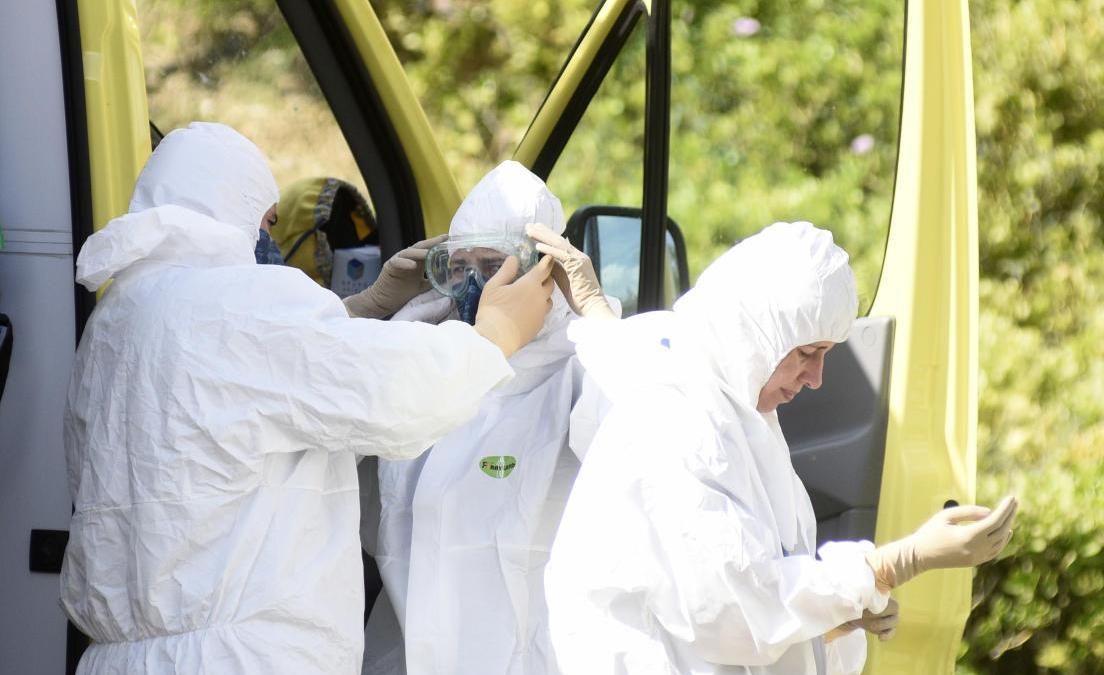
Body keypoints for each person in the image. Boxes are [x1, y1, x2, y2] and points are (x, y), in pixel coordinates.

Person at [60, 122, 555, 674]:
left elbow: (250, 386)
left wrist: (363, 307)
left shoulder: (120, 319)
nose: (268, 237)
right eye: (267, 219)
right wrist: (494, 337)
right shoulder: (236, 304)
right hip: (238, 658)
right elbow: (397, 396)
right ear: (230, 204)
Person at [543, 222, 1017, 674]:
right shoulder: (676, 420)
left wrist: (838, 619)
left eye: (825, 355)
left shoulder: (736, 412)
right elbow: (731, 607)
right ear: (753, 333)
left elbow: (762, 589)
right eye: (807, 354)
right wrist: (890, 565)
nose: (816, 379)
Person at [366, 161, 617, 675]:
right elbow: (301, 386)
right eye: (459, 268)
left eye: (496, 264)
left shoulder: (583, 371)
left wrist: (600, 318)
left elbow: (658, 437)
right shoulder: (419, 358)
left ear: (548, 269)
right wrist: (367, 308)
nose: (476, 285)